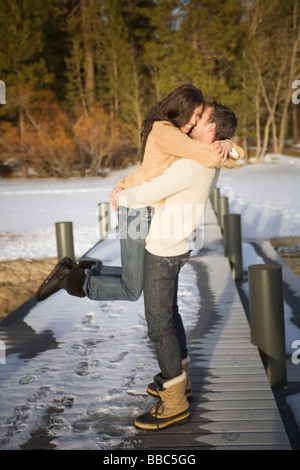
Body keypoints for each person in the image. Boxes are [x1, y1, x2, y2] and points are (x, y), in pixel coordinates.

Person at [36, 86, 242, 303]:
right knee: (132, 290)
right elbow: (208, 155)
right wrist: (228, 150)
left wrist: (229, 144)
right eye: (194, 114)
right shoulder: (165, 130)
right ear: (181, 107)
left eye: (199, 116)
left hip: (143, 205)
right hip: (135, 209)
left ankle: (81, 269)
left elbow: (149, 170)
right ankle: (70, 279)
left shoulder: (179, 132)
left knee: (137, 281)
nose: (194, 120)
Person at [114, 101, 238, 431]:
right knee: (169, 316)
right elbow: (227, 154)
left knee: (159, 326)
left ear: (210, 129)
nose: (195, 121)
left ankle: (174, 402)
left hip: (163, 249)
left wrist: (120, 195)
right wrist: (231, 146)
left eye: (202, 118)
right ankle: (179, 381)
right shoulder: (207, 159)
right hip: (176, 247)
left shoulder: (192, 165)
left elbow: (150, 191)